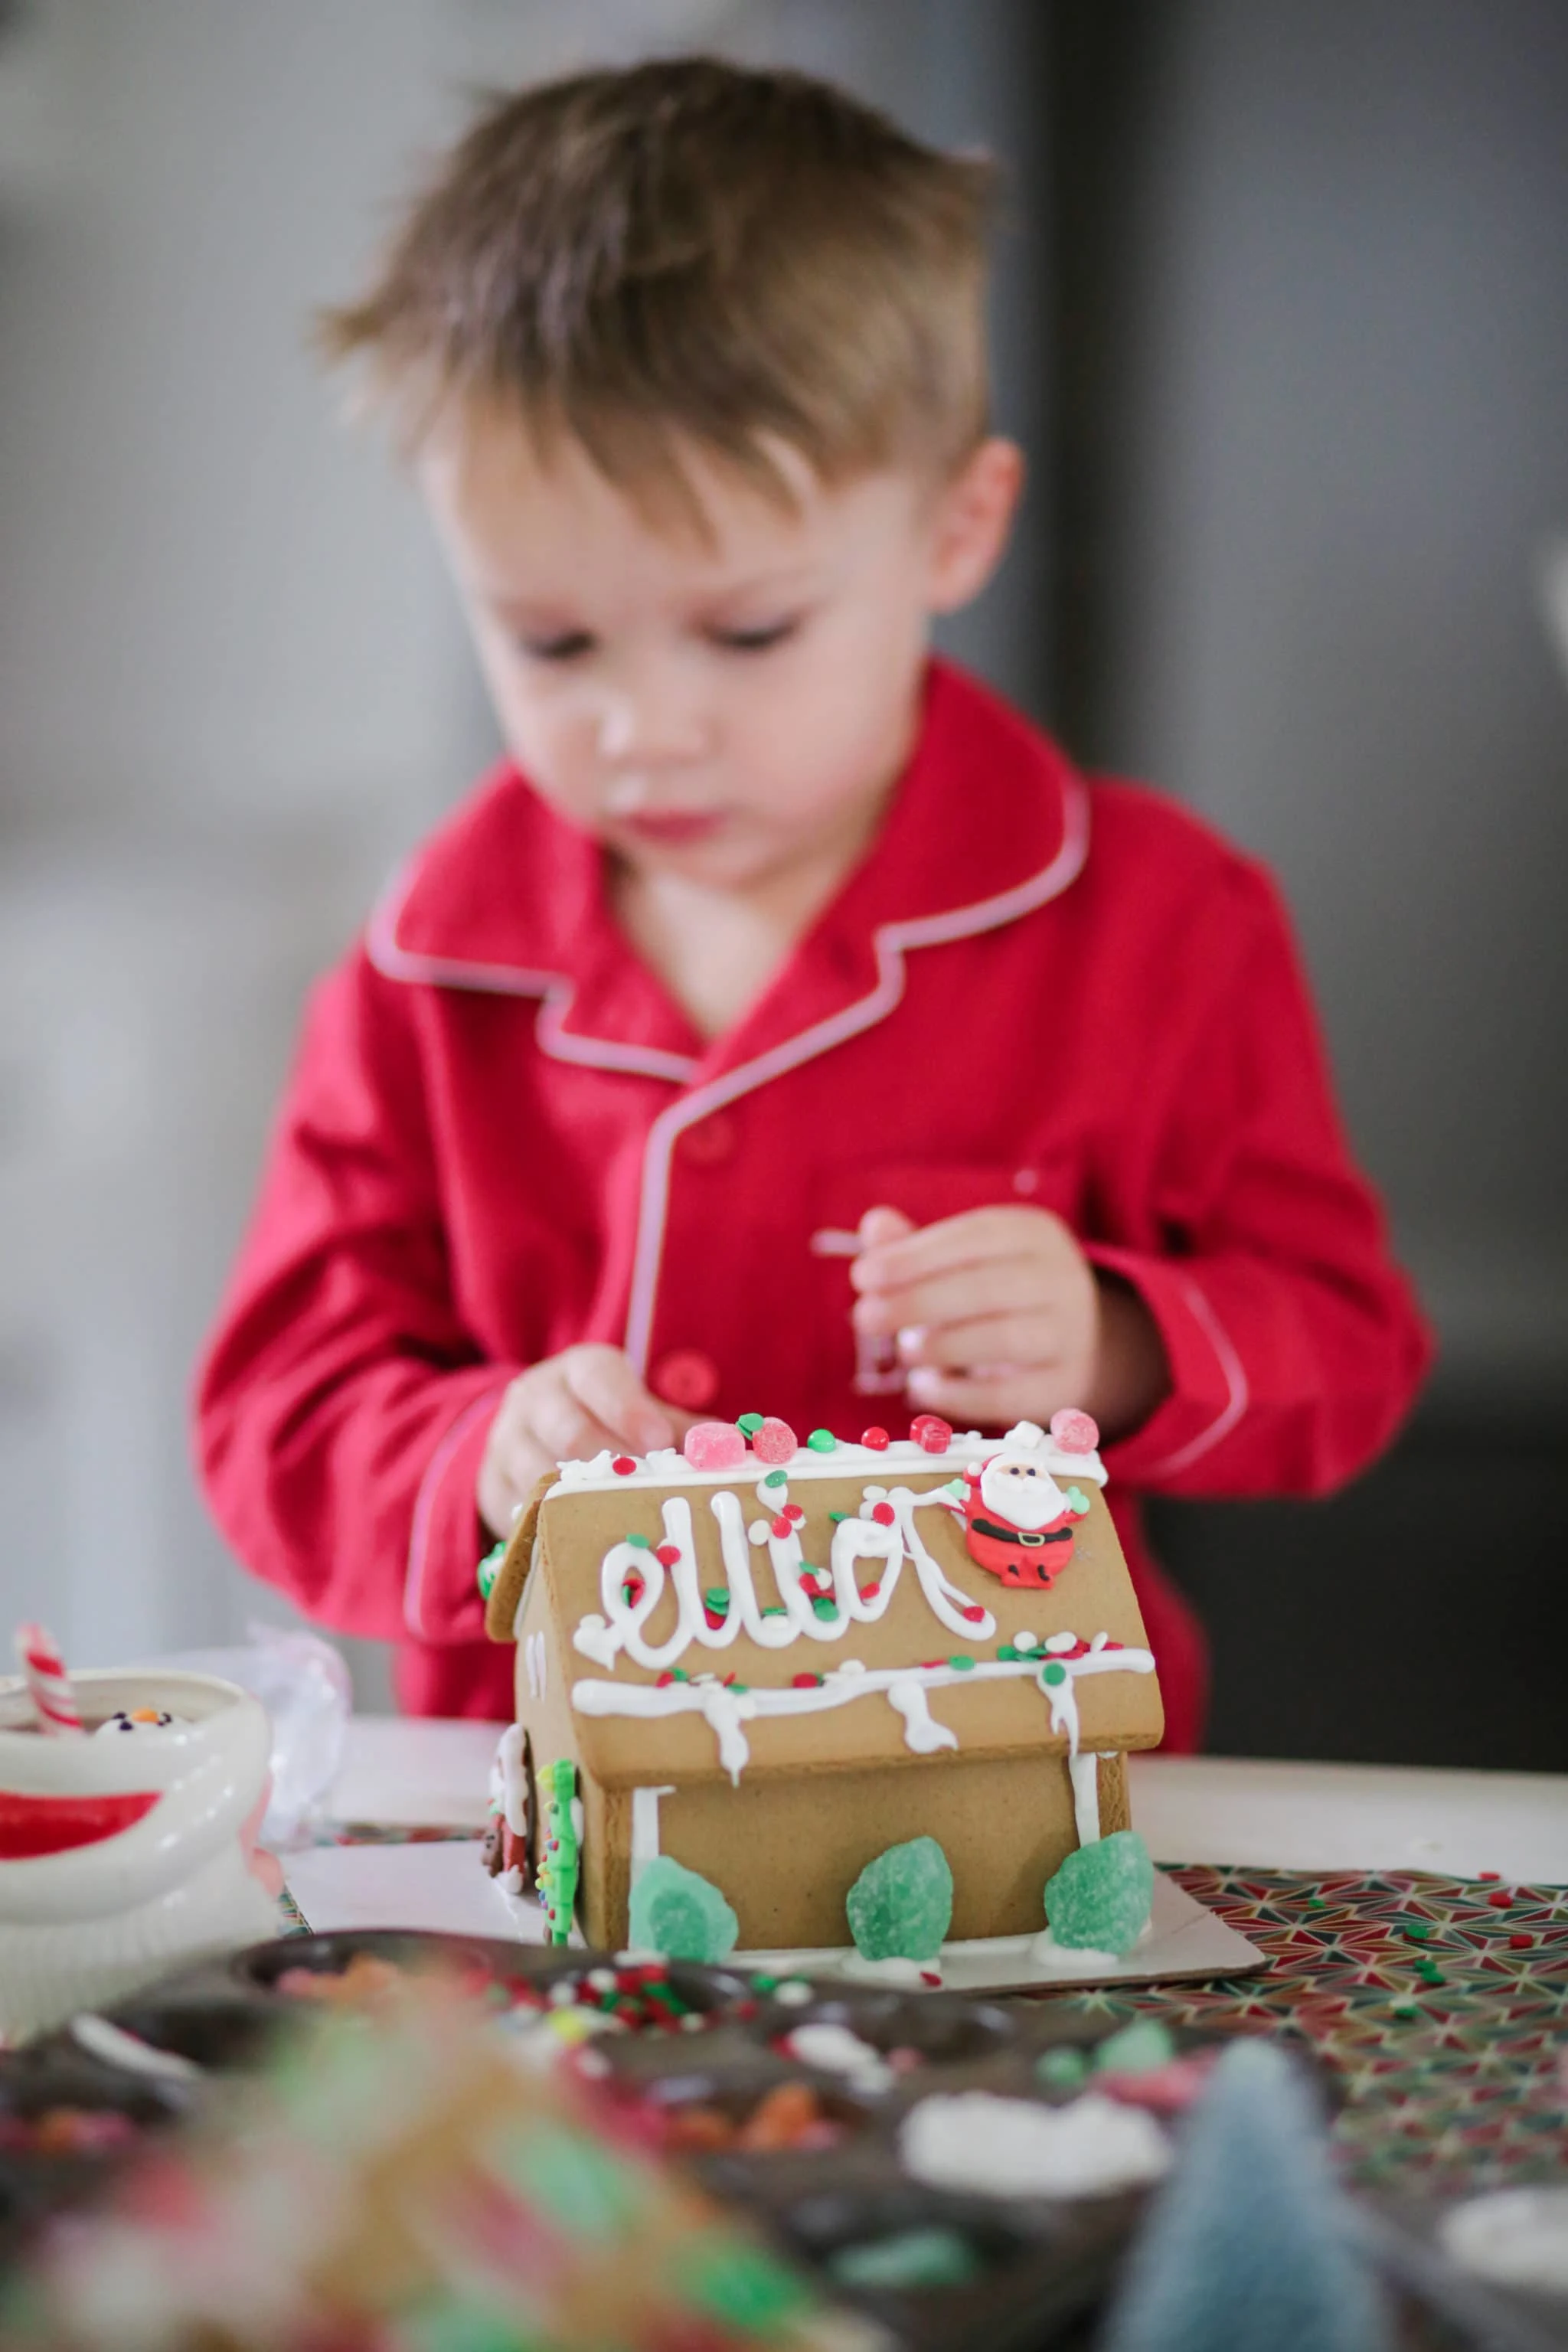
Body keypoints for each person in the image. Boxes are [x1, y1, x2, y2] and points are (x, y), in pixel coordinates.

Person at [194, 57, 1431, 1744]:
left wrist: (1115, 1341)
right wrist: (475, 1453)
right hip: (540, 1834)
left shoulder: (1162, 922)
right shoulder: (424, 971)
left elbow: (1346, 1350)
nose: (645, 727)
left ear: (954, 527)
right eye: (552, 644)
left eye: (749, 631)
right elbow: (276, 1420)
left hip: (1010, 1804)